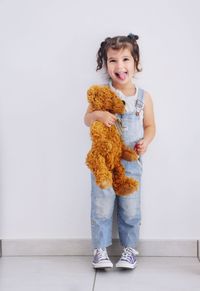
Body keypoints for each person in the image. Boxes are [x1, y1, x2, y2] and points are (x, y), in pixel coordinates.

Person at [84, 33, 156, 270]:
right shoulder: (102, 94)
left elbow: (150, 126)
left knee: (130, 207)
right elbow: (86, 118)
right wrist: (99, 115)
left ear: (136, 62)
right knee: (101, 206)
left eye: (125, 59)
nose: (120, 66)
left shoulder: (143, 98)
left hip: (131, 163)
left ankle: (129, 249)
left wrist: (145, 141)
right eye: (112, 60)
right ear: (105, 64)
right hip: (104, 161)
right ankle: (100, 250)